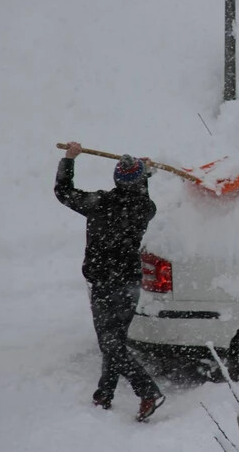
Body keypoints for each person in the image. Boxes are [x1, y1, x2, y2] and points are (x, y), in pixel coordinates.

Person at [54, 141, 165, 422]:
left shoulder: (99, 203)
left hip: (105, 283)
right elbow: (138, 191)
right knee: (114, 342)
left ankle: (147, 391)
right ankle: (104, 394)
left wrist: (69, 159)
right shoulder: (146, 208)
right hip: (130, 284)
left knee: (110, 343)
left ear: (116, 179)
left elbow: (63, 192)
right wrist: (144, 172)